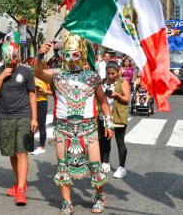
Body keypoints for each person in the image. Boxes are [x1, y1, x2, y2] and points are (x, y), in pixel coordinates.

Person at [35, 32, 114, 214]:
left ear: (82, 55)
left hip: (88, 130)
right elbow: (38, 72)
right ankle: (67, 202)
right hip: (64, 130)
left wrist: (109, 123)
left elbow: (102, 101)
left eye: (75, 54)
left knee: (96, 166)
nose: (71, 59)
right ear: (63, 55)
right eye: (67, 54)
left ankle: (100, 197)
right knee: (63, 168)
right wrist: (40, 55)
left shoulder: (92, 77)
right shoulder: (56, 75)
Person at [0, 42, 38, 206]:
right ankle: (19, 183)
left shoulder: (26, 71)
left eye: (14, 57)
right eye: (9, 58)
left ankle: (21, 190)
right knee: (11, 153)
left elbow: (32, 95)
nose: (12, 61)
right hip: (5, 117)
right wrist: (2, 77)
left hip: (23, 116)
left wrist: (34, 118)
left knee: (21, 152)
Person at [99, 61, 130, 179]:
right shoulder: (103, 81)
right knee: (104, 140)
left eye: (113, 73)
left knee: (119, 141)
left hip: (118, 115)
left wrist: (116, 95)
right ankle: (105, 162)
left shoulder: (123, 82)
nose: (111, 76)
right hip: (104, 116)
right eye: (108, 73)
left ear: (118, 72)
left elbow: (127, 99)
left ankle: (122, 167)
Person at [32, 62, 52, 155]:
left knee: (41, 125)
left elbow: (53, 91)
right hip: (32, 102)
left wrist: (44, 91)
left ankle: (41, 146)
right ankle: (30, 144)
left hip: (42, 102)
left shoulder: (46, 76)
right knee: (31, 123)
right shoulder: (32, 76)